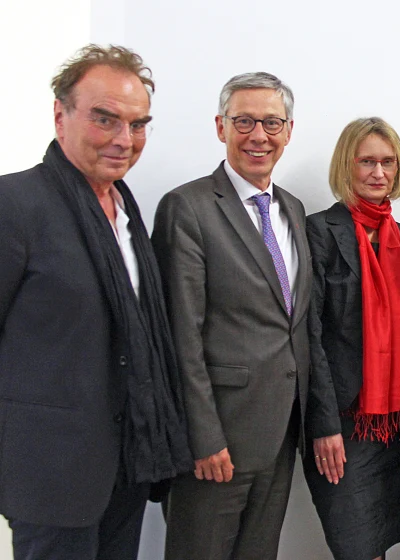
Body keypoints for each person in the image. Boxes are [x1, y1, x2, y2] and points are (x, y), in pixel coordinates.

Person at [0, 44, 192, 559]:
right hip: (50, 478)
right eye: (105, 119)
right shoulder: (14, 204)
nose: (123, 140)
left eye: (137, 124)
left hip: (127, 465)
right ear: (59, 115)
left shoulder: (129, 212)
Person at [152, 72, 312, 560]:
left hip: (280, 433)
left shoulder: (293, 210)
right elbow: (182, 334)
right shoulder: (188, 207)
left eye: (271, 122)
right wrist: (202, 437)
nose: (258, 135)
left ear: (288, 130)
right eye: (244, 121)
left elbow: (294, 324)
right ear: (221, 127)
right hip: (217, 441)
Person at [304, 117, 400, 560]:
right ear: (346, 166)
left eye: (387, 162)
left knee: (381, 539)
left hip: (396, 420)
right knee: (355, 542)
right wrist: (324, 423)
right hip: (345, 421)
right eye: (367, 161)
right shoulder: (319, 232)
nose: (378, 173)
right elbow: (310, 334)